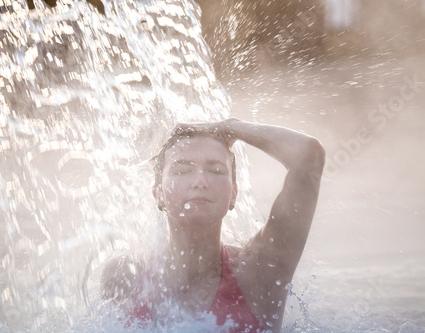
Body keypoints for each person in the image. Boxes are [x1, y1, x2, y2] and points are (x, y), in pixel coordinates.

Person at [100, 117, 325, 332]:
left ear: (234, 194)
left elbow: (309, 155)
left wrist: (231, 126)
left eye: (216, 171)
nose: (200, 182)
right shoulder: (126, 273)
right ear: (158, 194)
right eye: (182, 170)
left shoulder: (257, 272)